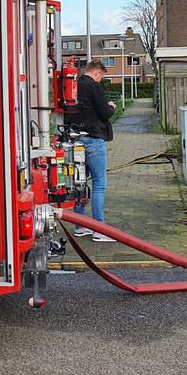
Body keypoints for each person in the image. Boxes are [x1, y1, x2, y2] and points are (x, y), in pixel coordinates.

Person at [71, 59, 116, 242]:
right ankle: (99, 229)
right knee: (99, 183)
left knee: (79, 183)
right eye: (102, 77)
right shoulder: (94, 87)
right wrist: (111, 107)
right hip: (93, 140)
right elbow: (104, 113)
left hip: (75, 140)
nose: (100, 80)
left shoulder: (74, 84)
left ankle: (79, 226)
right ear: (98, 73)